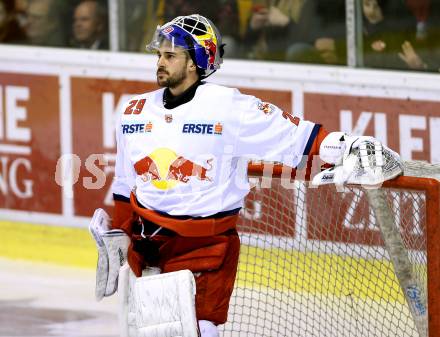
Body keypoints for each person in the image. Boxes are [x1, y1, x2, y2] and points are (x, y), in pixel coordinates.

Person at [93, 14, 401, 337]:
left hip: (204, 249)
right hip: (149, 249)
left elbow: (295, 136)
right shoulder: (133, 111)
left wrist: (346, 145)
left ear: (196, 62)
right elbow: (126, 183)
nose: (160, 61)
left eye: (171, 55)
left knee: (196, 329)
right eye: (159, 54)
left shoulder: (229, 107)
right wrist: (121, 232)